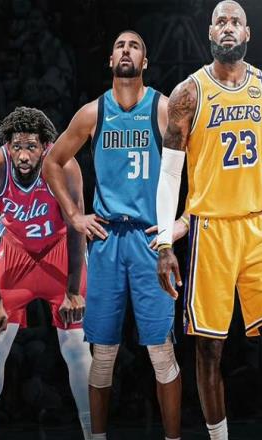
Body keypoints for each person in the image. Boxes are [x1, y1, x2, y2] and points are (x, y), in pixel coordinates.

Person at [156, 2, 262, 439]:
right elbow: (169, 175)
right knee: (210, 349)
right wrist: (164, 243)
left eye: (235, 22)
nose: (228, 28)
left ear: (248, 33)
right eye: (220, 22)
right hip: (211, 230)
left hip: (260, 228)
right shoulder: (189, 92)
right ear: (210, 33)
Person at [42, 30, 183, 440]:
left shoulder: (163, 108)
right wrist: (74, 215)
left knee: (161, 353)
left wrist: (184, 221)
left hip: (149, 239)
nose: (126, 50)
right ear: (110, 60)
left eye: (134, 46)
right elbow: (52, 163)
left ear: (145, 62)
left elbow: (204, 167)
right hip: (106, 240)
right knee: (102, 355)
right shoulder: (93, 113)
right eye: (120, 45)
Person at [0, 106, 92, 439]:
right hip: (15, 254)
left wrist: (73, 291)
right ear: (7, 146)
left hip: (60, 251)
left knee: (76, 347)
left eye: (31, 147)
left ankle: (94, 435)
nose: (23, 155)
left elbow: (77, 229)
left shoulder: (64, 165)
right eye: (17, 147)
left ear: (46, 146)